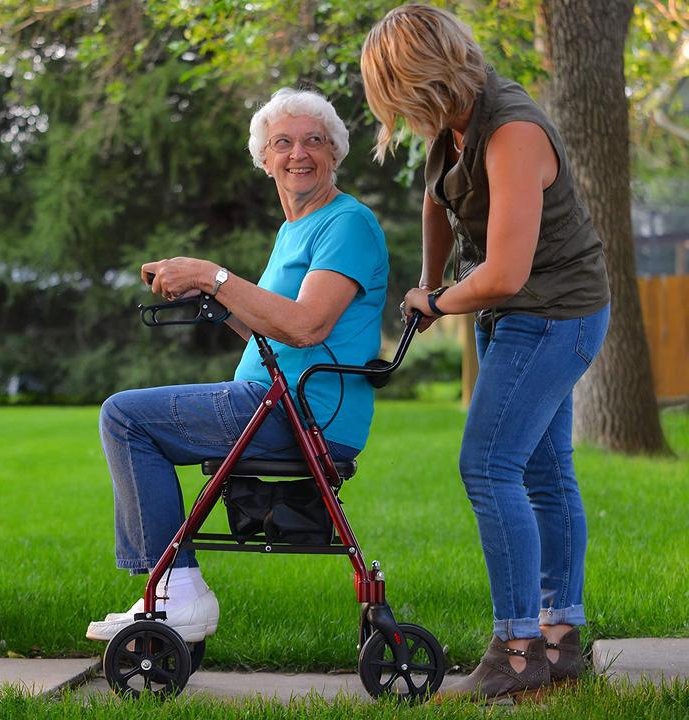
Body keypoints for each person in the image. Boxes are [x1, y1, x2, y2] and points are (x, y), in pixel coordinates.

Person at [361, 4, 610, 702]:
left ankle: (518, 649)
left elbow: (506, 274)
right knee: (544, 472)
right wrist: (428, 280)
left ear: (419, 78)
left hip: (555, 316)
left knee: (489, 466)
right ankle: (561, 642)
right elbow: (437, 203)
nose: (397, 112)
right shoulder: (457, 124)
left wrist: (437, 305)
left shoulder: (512, 131)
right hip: (514, 314)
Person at [86, 88, 389, 643]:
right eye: (283, 143)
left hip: (298, 412)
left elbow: (305, 326)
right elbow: (269, 328)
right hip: (274, 403)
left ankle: (177, 589)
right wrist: (210, 299)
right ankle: (173, 589)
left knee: (124, 418)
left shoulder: (346, 223)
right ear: (265, 159)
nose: (299, 154)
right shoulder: (293, 229)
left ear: (336, 154)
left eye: (314, 141)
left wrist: (212, 275)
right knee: (129, 419)